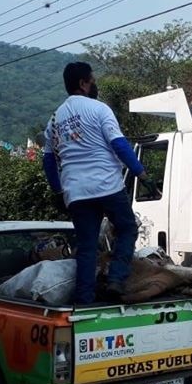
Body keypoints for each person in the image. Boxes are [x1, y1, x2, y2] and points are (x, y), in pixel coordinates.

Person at [43, 62, 149, 305]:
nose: (94, 84)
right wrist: (141, 174)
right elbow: (119, 145)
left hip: (76, 192)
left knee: (87, 247)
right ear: (83, 83)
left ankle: (84, 301)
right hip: (107, 185)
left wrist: (59, 190)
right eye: (92, 80)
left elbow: (49, 161)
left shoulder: (54, 119)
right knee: (127, 229)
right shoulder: (99, 109)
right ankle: (116, 279)